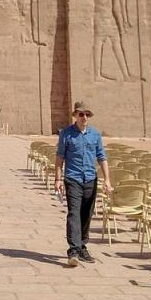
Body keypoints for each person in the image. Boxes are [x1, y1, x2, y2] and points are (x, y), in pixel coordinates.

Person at [54, 101, 112, 267]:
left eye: (87, 114)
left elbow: (101, 157)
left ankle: (82, 246)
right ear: (75, 116)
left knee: (86, 214)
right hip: (73, 178)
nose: (84, 117)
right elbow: (60, 158)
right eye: (81, 114)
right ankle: (73, 250)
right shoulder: (66, 134)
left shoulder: (95, 134)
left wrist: (107, 179)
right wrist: (58, 179)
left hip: (90, 179)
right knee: (74, 213)